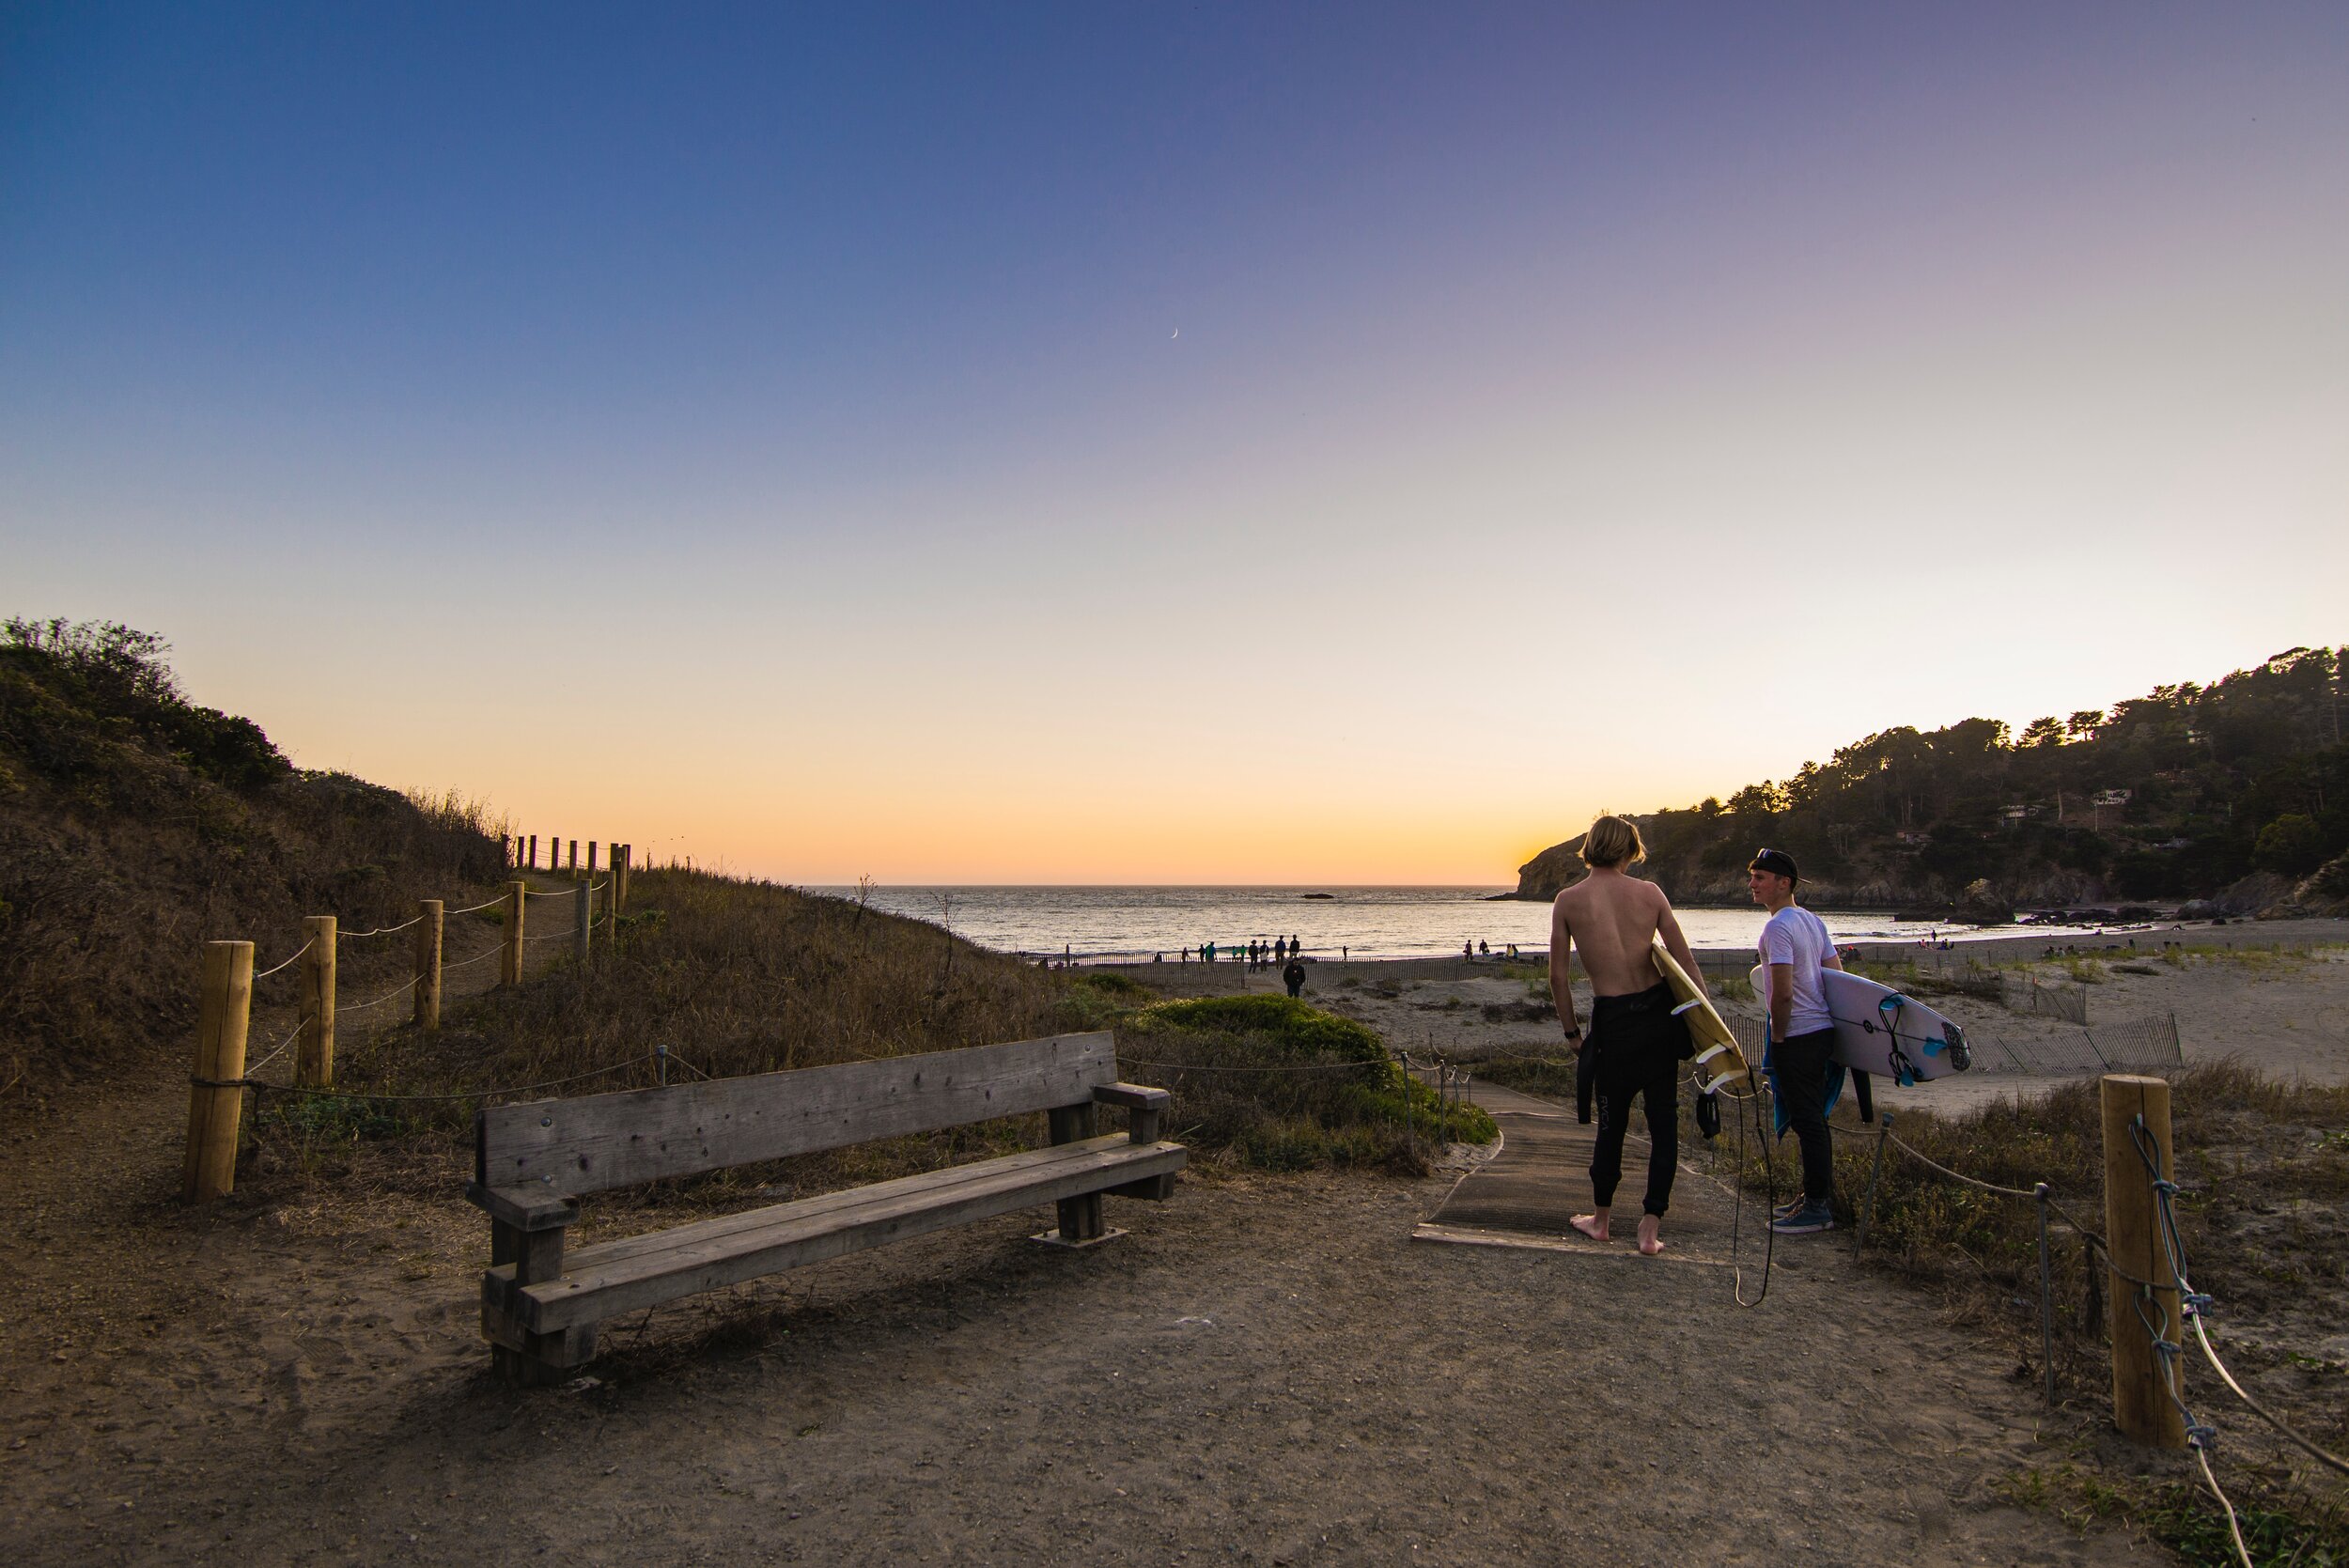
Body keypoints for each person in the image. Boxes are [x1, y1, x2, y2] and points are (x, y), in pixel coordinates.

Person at [1549, 815, 1701, 1256]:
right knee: (1663, 1125)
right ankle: (1649, 1230)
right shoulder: (1650, 894)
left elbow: (1558, 978)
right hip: (1657, 1019)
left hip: (1612, 1024)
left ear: (1590, 846)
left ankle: (1601, 1221)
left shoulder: (1568, 901)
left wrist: (1573, 1033)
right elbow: (1686, 964)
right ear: (1630, 849)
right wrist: (1708, 1024)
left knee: (1611, 1125)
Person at [1750, 848, 1844, 1236]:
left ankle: (1818, 1208)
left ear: (1783, 882)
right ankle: (1813, 1195)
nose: (1752, 885)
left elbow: (1782, 993)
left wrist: (1778, 1035)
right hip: (1821, 1031)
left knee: (1808, 1122)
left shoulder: (1777, 928)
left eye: (1760, 878)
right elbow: (1838, 975)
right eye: (1752, 877)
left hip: (1798, 1033)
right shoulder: (1812, 921)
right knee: (1813, 1120)